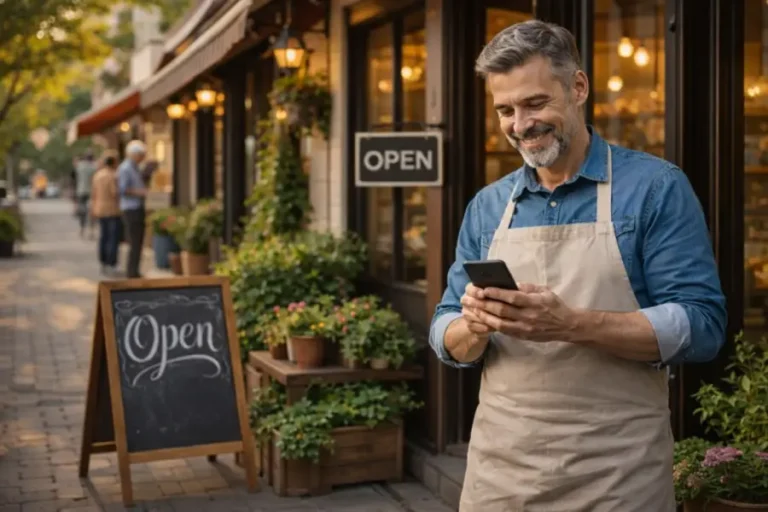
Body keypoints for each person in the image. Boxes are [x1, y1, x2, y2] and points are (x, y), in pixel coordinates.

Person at [429, 20, 727, 512]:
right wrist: (472, 328)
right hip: (502, 476)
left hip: (618, 477)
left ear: (578, 87)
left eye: (535, 103)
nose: (520, 125)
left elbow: (703, 325)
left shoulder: (655, 189)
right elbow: (444, 329)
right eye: (505, 110)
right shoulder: (488, 205)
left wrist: (570, 324)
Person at [118, 140, 148, 279]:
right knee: (134, 241)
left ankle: (134, 270)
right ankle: (131, 272)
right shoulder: (125, 168)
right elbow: (123, 189)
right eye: (141, 155)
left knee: (138, 241)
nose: (143, 158)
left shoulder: (135, 167)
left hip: (137, 207)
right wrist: (139, 192)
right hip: (131, 208)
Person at [90, 151, 121, 276]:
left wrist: (92, 209)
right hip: (112, 209)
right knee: (113, 238)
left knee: (103, 236)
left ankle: (102, 261)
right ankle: (111, 262)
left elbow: (93, 194)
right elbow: (115, 193)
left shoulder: (97, 176)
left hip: (99, 208)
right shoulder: (113, 176)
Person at [74, 151, 97, 238]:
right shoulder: (93, 167)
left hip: (81, 191)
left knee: (82, 212)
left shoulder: (80, 166)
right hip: (91, 191)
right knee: (91, 211)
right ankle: (91, 231)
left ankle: (82, 230)